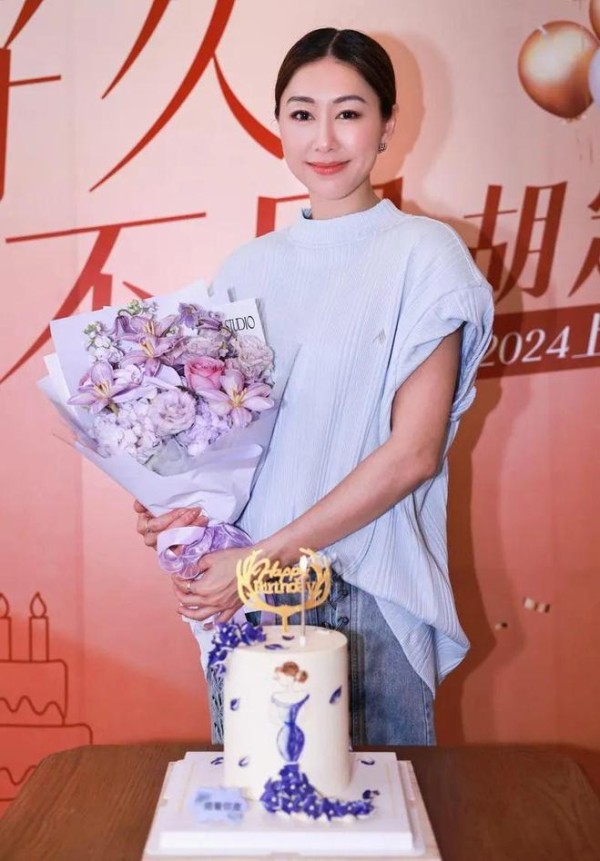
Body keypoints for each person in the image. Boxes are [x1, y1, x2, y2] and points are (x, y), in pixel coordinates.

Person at [135, 27, 494, 746]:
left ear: (387, 125)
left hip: (364, 598)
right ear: (279, 125)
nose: (323, 139)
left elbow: (413, 454)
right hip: (251, 601)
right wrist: (173, 503)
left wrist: (259, 559)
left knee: (385, 811)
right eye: (302, 114)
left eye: (349, 113)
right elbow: (222, 444)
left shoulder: (425, 256)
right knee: (259, 813)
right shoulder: (247, 268)